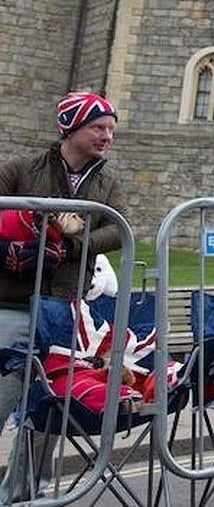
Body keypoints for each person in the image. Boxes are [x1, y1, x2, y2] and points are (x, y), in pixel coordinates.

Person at [0, 91, 126, 498]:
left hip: (66, 308)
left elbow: (118, 228)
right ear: (70, 128)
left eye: (110, 129)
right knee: (4, 396)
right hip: (13, 305)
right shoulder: (21, 168)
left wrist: (73, 242)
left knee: (47, 411)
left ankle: (21, 495)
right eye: (98, 127)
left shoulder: (108, 180)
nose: (107, 136)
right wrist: (13, 248)